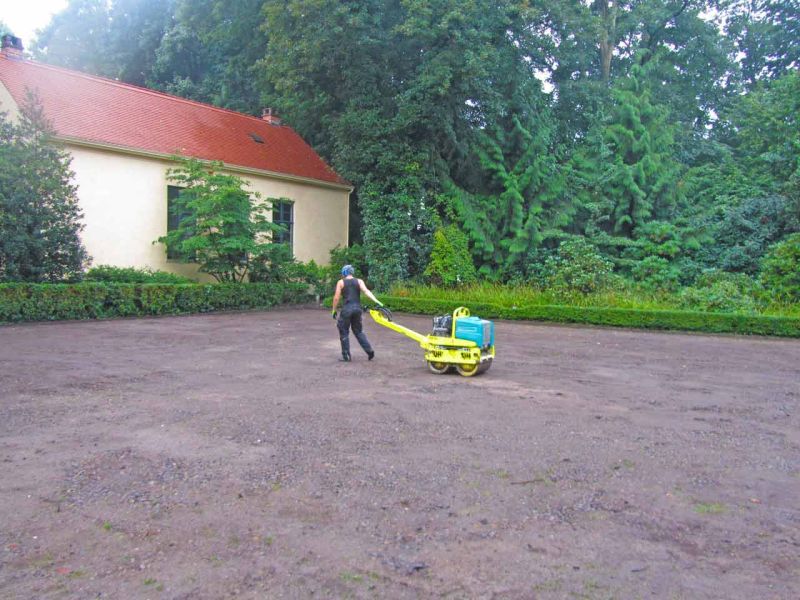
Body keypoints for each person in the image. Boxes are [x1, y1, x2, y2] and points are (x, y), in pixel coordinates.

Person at [331, 264, 382, 362]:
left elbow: (336, 297)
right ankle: (369, 351)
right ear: (352, 272)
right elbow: (366, 291)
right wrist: (377, 301)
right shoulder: (359, 281)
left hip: (347, 309)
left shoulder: (341, 282)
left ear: (344, 272)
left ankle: (346, 356)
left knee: (344, 331)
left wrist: (334, 310)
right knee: (358, 331)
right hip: (357, 309)